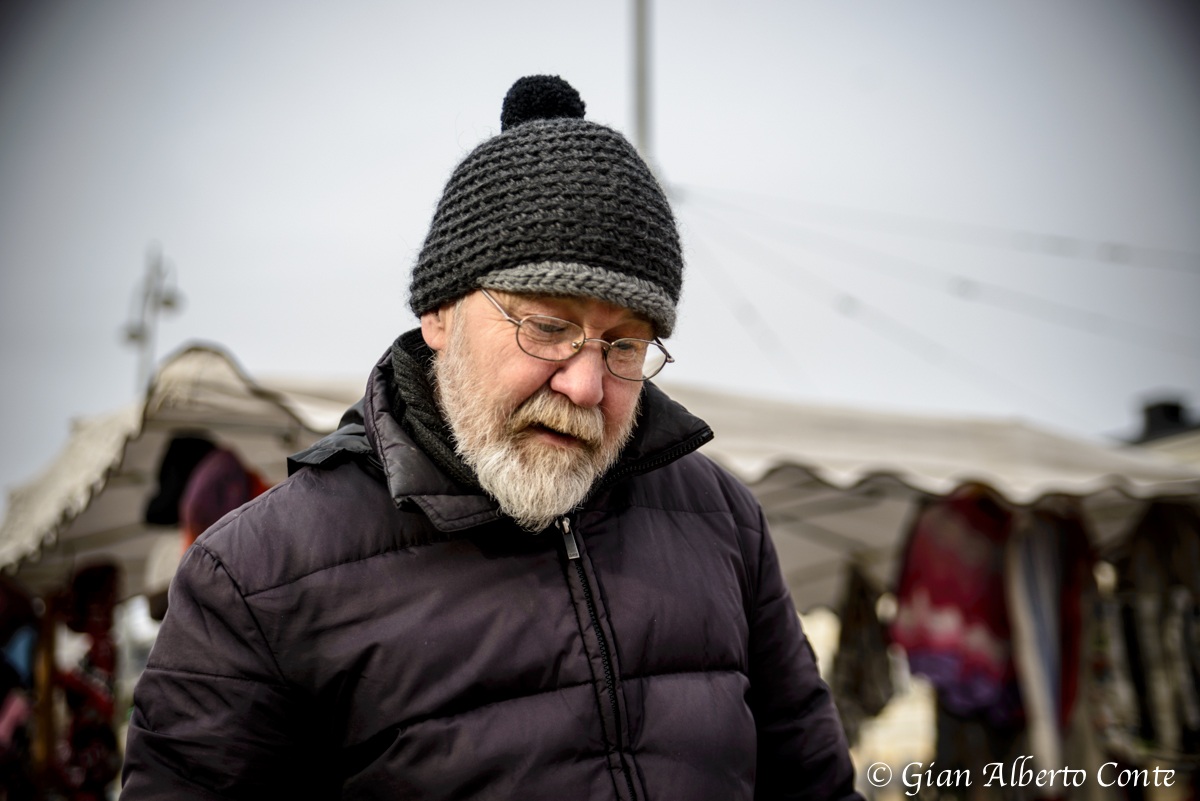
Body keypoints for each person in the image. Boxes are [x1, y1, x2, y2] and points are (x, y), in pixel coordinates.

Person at [120, 75, 862, 801]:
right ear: (439, 313)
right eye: (547, 327)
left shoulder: (722, 520)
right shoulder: (254, 578)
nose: (586, 385)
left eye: (626, 346)